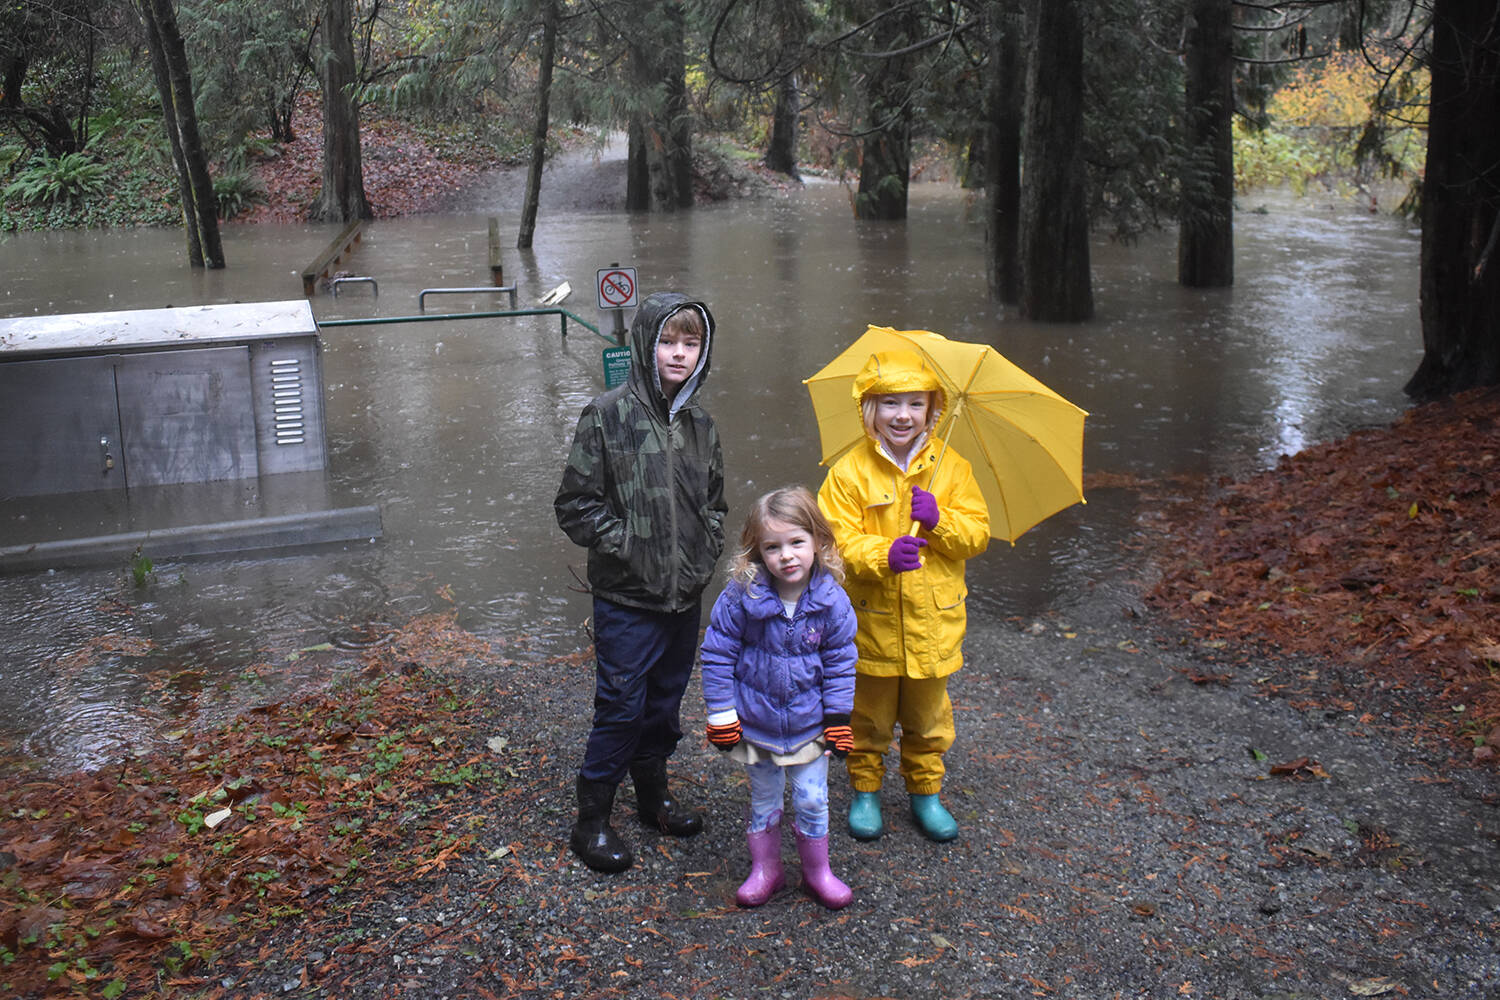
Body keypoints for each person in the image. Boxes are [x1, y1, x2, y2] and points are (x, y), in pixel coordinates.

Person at [554, 291, 726, 873]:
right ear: (646, 346)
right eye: (668, 342)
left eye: (690, 343)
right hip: (627, 598)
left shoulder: (702, 425)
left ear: (702, 353)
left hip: (684, 598)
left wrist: (707, 548)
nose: (679, 354)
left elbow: (716, 503)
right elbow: (575, 506)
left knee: (664, 705)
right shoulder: (607, 414)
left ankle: (654, 796)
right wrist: (628, 544)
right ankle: (592, 820)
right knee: (620, 707)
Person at [816, 349, 989, 843]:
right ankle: (866, 788)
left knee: (927, 717)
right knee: (866, 715)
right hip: (870, 623)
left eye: (915, 403)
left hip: (933, 623)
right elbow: (833, 543)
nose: (903, 415)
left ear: (933, 409)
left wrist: (940, 522)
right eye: (890, 403)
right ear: (870, 409)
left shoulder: (951, 468)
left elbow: (976, 534)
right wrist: (882, 555)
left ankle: (926, 793)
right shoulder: (849, 472)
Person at [700, 486, 858, 909]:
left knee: (811, 797)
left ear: (819, 542)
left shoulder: (832, 602)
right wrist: (721, 713)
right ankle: (766, 869)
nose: (786, 555)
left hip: (809, 726)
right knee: (765, 797)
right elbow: (717, 654)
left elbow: (842, 663)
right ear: (757, 552)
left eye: (797, 542)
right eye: (773, 547)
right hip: (756, 725)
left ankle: (817, 872)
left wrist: (838, 718)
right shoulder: (741, 597)